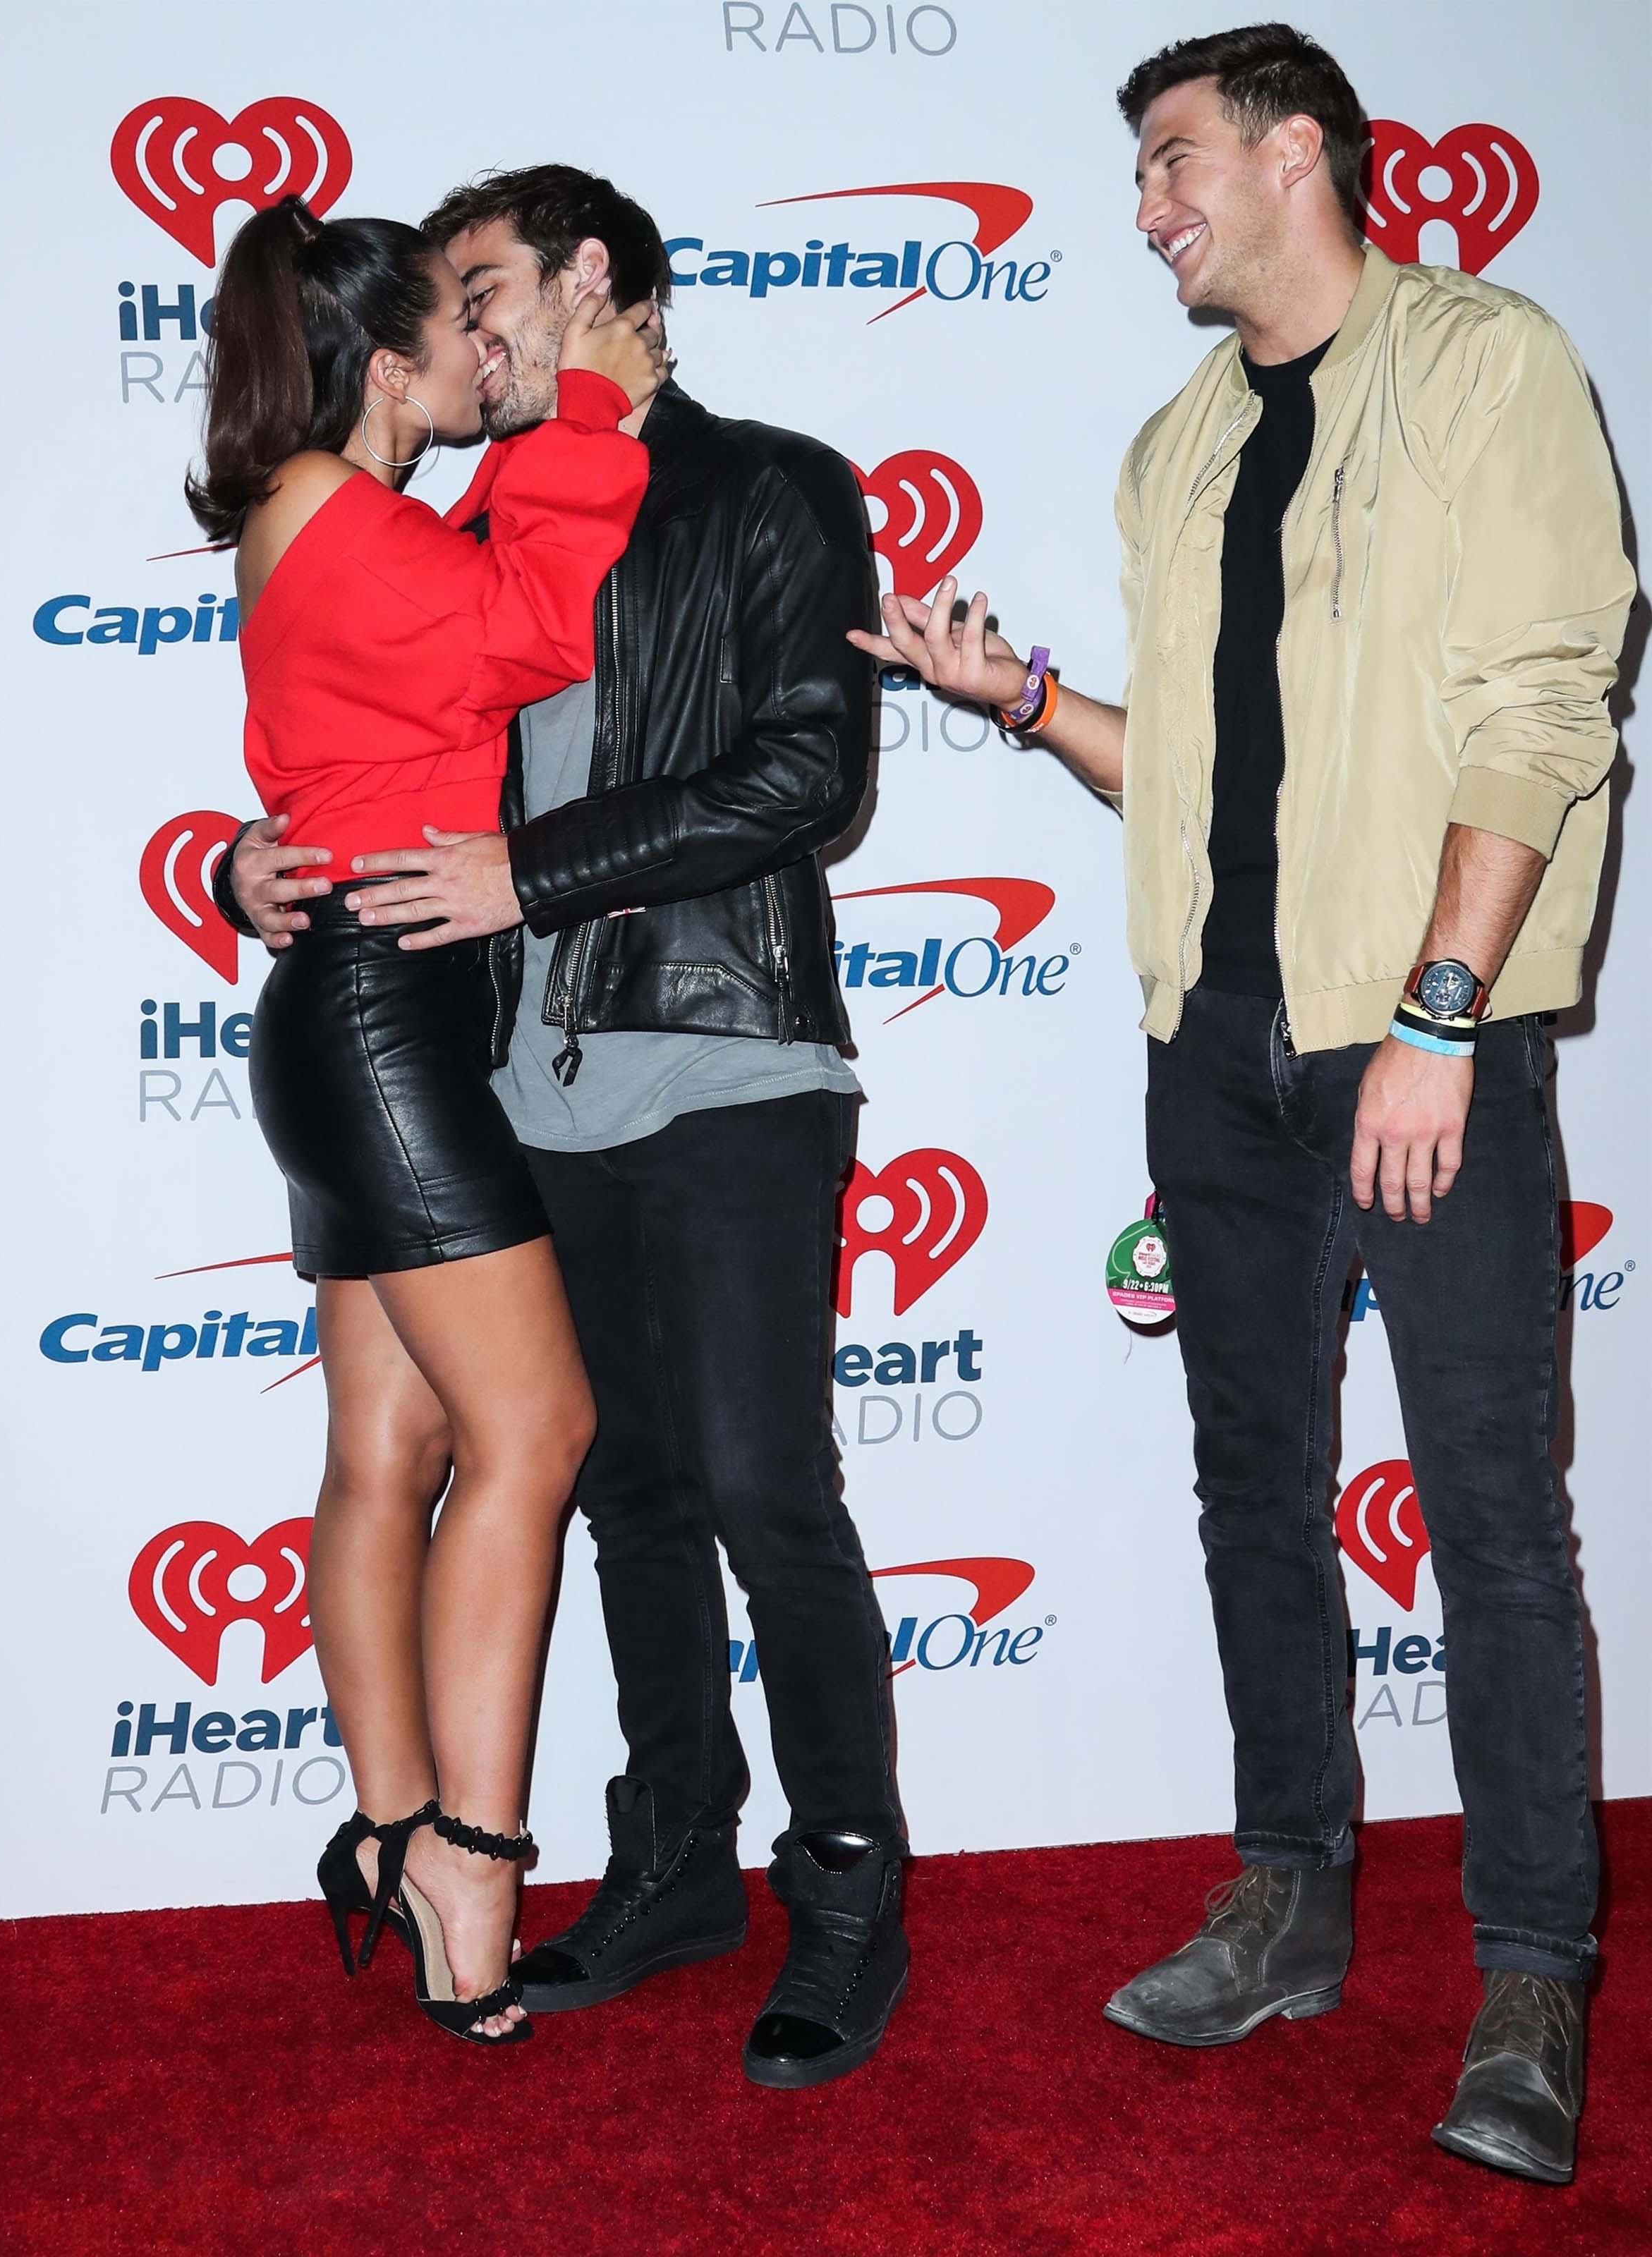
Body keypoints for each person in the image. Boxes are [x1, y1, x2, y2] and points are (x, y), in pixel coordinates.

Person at [851, 23, 1629, 2184]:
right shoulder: (1178, 446)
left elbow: (1547, 701)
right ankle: (1290, 1890)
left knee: (1489, 1517)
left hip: (1423, 1036)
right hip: (1219, 1040)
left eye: (1175, 160)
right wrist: (1008, 696)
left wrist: (1443, 1013)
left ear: (1300, 156)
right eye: (1135, 174)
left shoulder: (1484, 364)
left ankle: (1534, 1973)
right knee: (1252, 1495)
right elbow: (1183, 772)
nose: (1146, 205)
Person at [217, 165, 909, 2091]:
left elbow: (804, 777)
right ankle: (678, 1857)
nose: (476, 330)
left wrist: (526, 873)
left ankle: (845, 1885)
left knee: (767, 1484)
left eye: (494, 289)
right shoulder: (451, 510)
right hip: (523, 1079)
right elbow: (370, 753)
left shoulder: (771, 482)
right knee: (625, 1501)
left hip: (726, 1052)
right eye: (446, 304)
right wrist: (243, 864)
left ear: (592, 279)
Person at [184, 193, 657, 2045]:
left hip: (374, 1012)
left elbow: (430, 670)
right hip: (383, 1023)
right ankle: (471, 1846)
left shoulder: (352, 513)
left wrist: (240, 867)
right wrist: (592, 411)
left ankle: (385, 1834)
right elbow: (537, 628)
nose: (491, 351)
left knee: (391, 1457)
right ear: (387, 367)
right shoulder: (323, 503)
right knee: (534, 1429)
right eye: (460, 325)